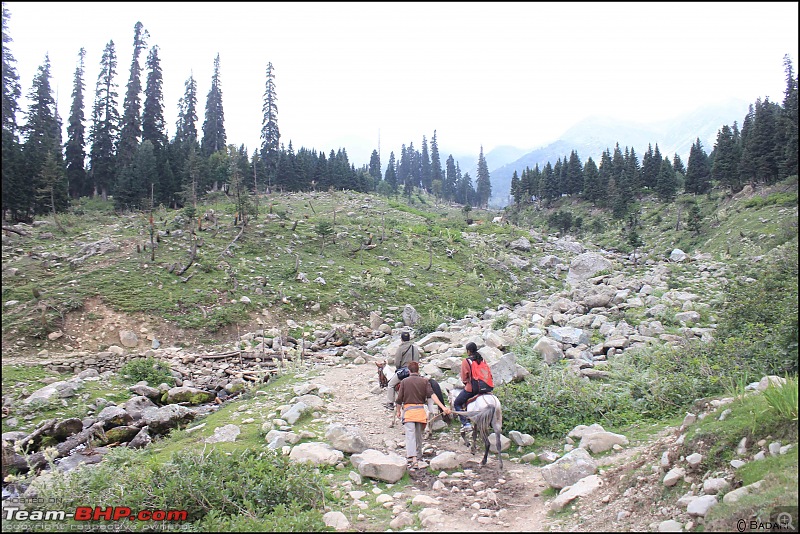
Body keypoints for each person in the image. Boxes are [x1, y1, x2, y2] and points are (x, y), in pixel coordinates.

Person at [395, 361, 451, 470]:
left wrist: (398, 411)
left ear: (409, 371)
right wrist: (443, 407)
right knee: (418, 435)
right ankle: (419, 456)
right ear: (418, 370)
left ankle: (413, 459)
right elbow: (432, 395)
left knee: (410, 435)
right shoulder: (424, 381)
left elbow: (399, 399)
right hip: (420, 412)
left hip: (409, 412)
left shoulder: (404, 382)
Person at [453, 342, 494, 432]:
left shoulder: (466, 361)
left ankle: (466, 424)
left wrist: (466, 383)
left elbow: (464, 378)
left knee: (457, 403)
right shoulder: (482, 360)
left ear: (468, 351)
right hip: (486, 387)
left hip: (473, 389)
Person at [384, 331, 424, 409]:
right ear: (409, 338)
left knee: (391, 384)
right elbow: (417, 361)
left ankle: (390, 403)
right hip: (415, 371)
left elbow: (397, 362)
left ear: (401, 339)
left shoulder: (400, 348)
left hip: (404, 371)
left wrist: (398, 368)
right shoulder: (414, 348)